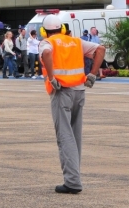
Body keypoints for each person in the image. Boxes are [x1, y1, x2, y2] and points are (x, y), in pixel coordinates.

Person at [38, 14, 105, 194]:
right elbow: (100, 49)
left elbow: (45, 54)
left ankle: (72, 181)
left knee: (65, 136)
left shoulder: (47, 43)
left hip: (61, 92)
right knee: (75, 136)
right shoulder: (76, 41)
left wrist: (52, 77)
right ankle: (74, 177)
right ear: (62, 28)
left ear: (44, 31)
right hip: (79, 91)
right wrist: (92, 74)